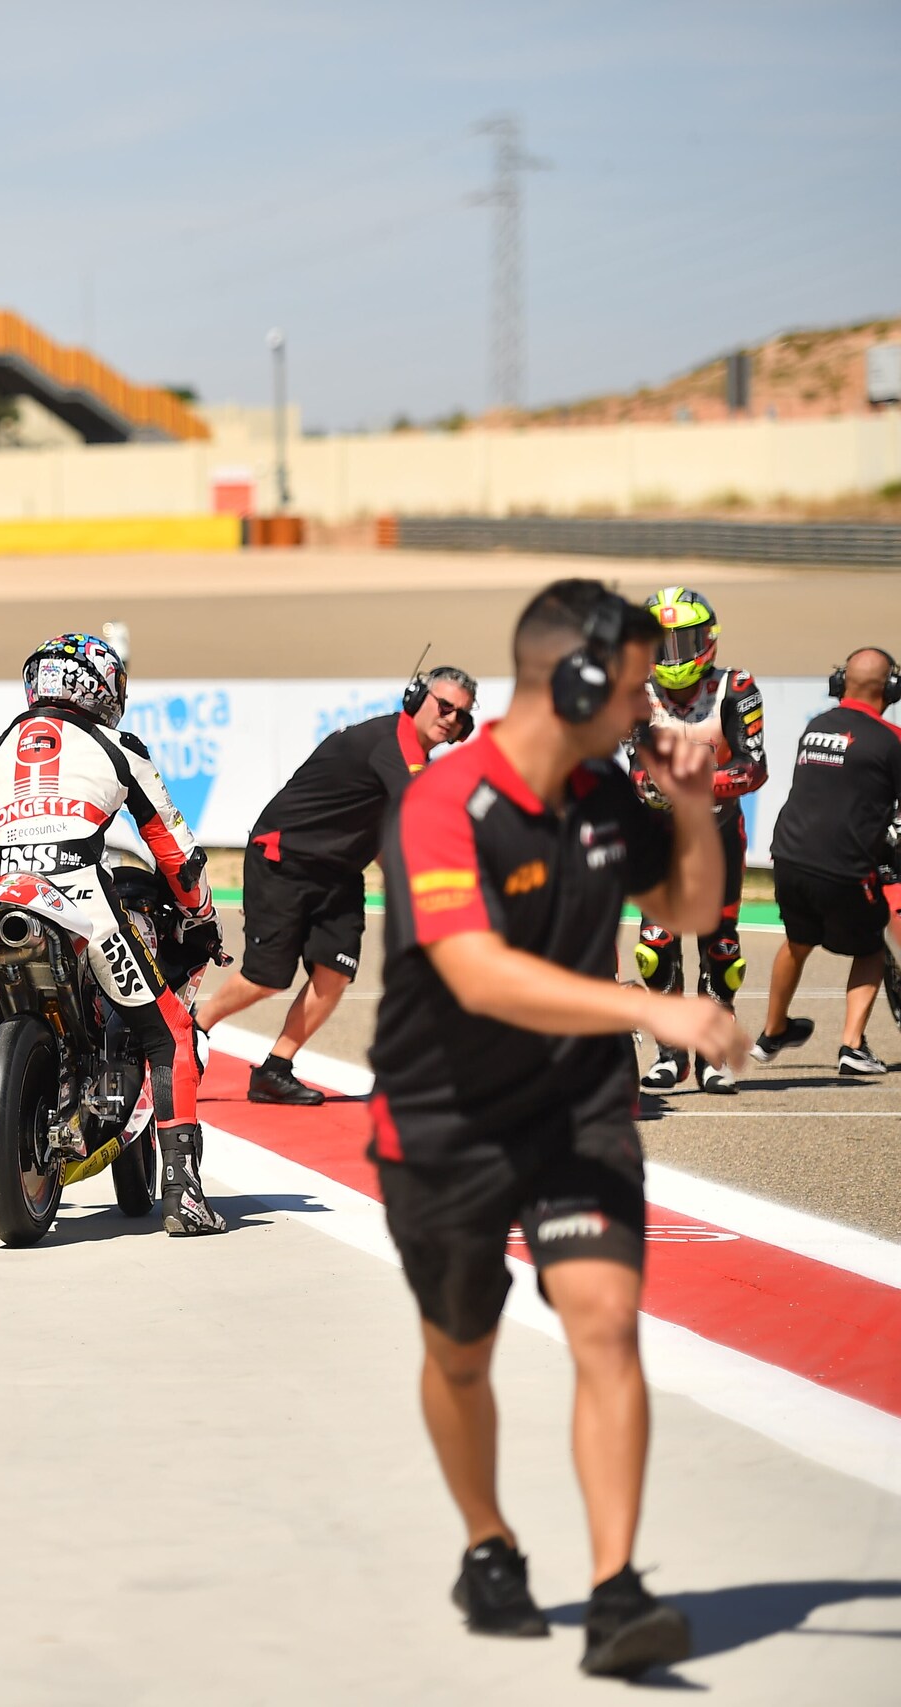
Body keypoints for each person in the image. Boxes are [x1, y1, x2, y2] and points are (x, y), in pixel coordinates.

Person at [369, 579, 736, 1678]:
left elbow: (689, 914)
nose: (648, 711)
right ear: (574, 680)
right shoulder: (443, 803)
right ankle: (488, 1543)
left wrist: (688, 804)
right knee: (459, 1351)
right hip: (443, 1116)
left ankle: (618, 1594)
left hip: (576, 1105)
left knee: (605, 1321)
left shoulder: (600, 793)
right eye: (631, 690)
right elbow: (476, 975)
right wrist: (649, 1007)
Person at [0, 632, 228, 1236]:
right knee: (168, 1032)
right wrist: (199, 912)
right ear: (98, 686)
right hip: (82, 899)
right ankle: (183, 1193)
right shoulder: (119, 746)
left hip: (0, 899)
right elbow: (176, 850)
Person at [198, 661, 477, 1105]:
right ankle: (191, 1032)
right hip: (283, 859)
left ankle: (275, 1071)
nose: (450, 719)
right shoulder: (389, 745)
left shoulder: (411, 759)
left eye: (461, 714)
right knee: (267, 977)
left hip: (339, 872)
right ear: (417, 698)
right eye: (444, 706)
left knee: (335, 970)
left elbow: (387, 831)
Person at [626, 588, 768, 1094]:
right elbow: (631, 764)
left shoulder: (736, 686)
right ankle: (671, 1052)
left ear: (707, 640)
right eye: (660, 644)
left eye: (682, 642)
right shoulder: (635, 692)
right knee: (653, 949)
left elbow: (754, 767)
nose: (671, 656)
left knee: (722, 949)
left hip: (718, 835)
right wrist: (644, 785)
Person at [752, 646, 901, 1078]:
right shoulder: (891, 742)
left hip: (789, 856)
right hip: (844, 866)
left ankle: (772, 1033)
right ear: (890, 688)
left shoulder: (816, 726)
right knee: (873, 944)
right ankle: (852, 1047)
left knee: (797, 941)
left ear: (842, 683)